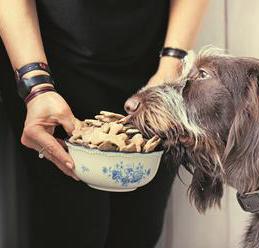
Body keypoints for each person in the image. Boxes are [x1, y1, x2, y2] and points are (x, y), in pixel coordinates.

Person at [0, 0, 208, 247]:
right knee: (72, 228)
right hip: (49, 66)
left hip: (154, 66)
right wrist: (36, 86)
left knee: (139, 228)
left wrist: (172, 65)